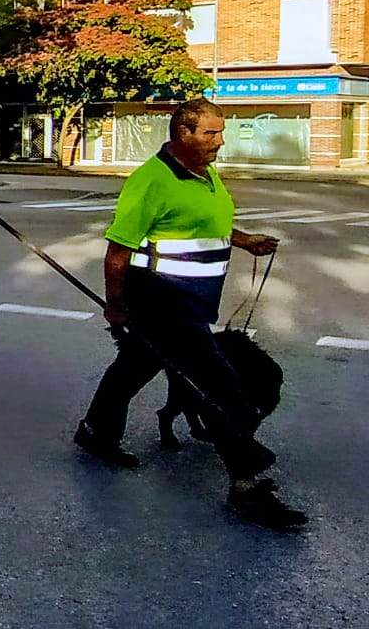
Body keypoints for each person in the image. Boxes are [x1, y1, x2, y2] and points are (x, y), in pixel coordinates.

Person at [73, 98, 307, 531]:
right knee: (219, 386)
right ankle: (247, 485)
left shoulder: (204, 173)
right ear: (183, 133)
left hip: (193, 301)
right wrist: (116, 305)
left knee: (134, 367)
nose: (221, 141)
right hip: (161, 301)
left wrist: (243, 240)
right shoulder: (151, 181)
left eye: (221, 132)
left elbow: (202, 227)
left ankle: (96, 432)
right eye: (211, 133)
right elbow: (118, 250)